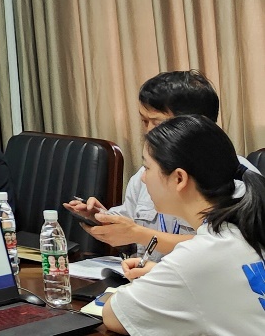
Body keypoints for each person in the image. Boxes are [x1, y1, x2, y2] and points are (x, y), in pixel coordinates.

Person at [66, 70, 259, 259]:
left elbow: (228, 249)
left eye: (158, 124)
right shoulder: (147, 174)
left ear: (194, 125)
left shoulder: (233, 177)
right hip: (147, 275)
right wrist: (103, 219)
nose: (149, 132)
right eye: (144, 121)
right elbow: (131, 231)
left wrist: (140, 234)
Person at [100, 115, 265, 335]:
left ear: (179, 178)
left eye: (147, 168)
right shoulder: (244, 229)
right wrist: (163, 274)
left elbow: (114, 315)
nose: (143, 179)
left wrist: (173, 276)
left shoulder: (197, 256)